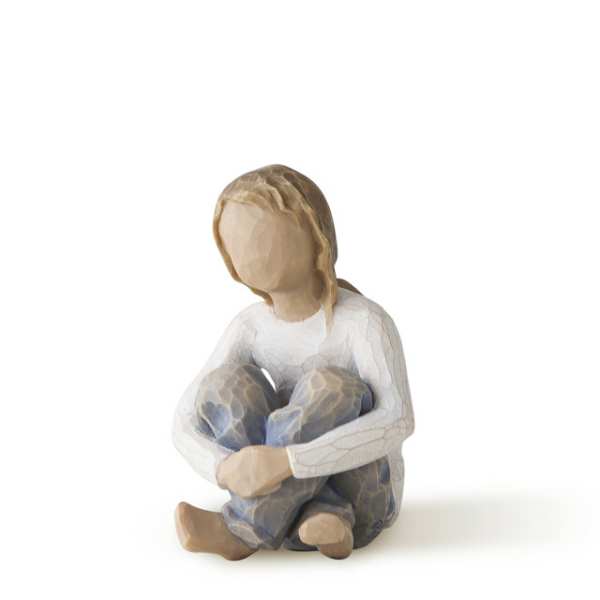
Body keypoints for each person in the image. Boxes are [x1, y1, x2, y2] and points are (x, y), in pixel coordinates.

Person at [173, 165, 414, 560]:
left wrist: (289, 462)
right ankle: (322, 517)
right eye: (234, 239)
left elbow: (398, 419)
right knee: (225, 385)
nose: (246, 250)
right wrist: (222, 467)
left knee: (331, 387)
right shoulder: (250, 326)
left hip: (364, 492)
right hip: (290, 506)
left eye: (260, 235)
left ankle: (244, 529)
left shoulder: (364, 322)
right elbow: (184, 419)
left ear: (315, 236)